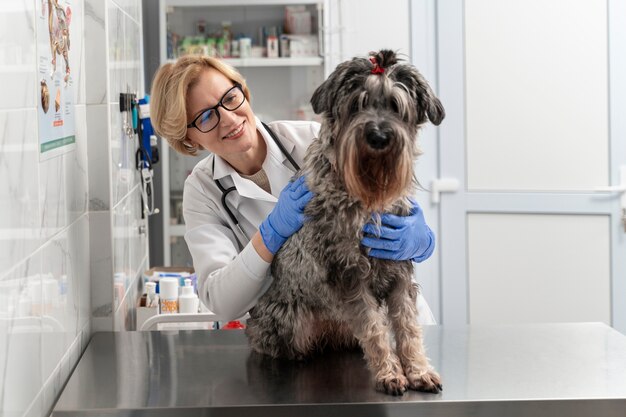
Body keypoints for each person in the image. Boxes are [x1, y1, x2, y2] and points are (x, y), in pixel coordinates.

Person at [150, 55, 437, 323]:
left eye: (230, 98)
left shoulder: (314, 140)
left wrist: (421, 241)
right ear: (188, 139)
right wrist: (270, 234)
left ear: (243, 92)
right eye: (205, 117)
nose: (228, 118)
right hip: (305, 334)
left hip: (392, 323)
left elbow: (394, 202)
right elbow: (222, 303)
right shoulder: (202, 190)